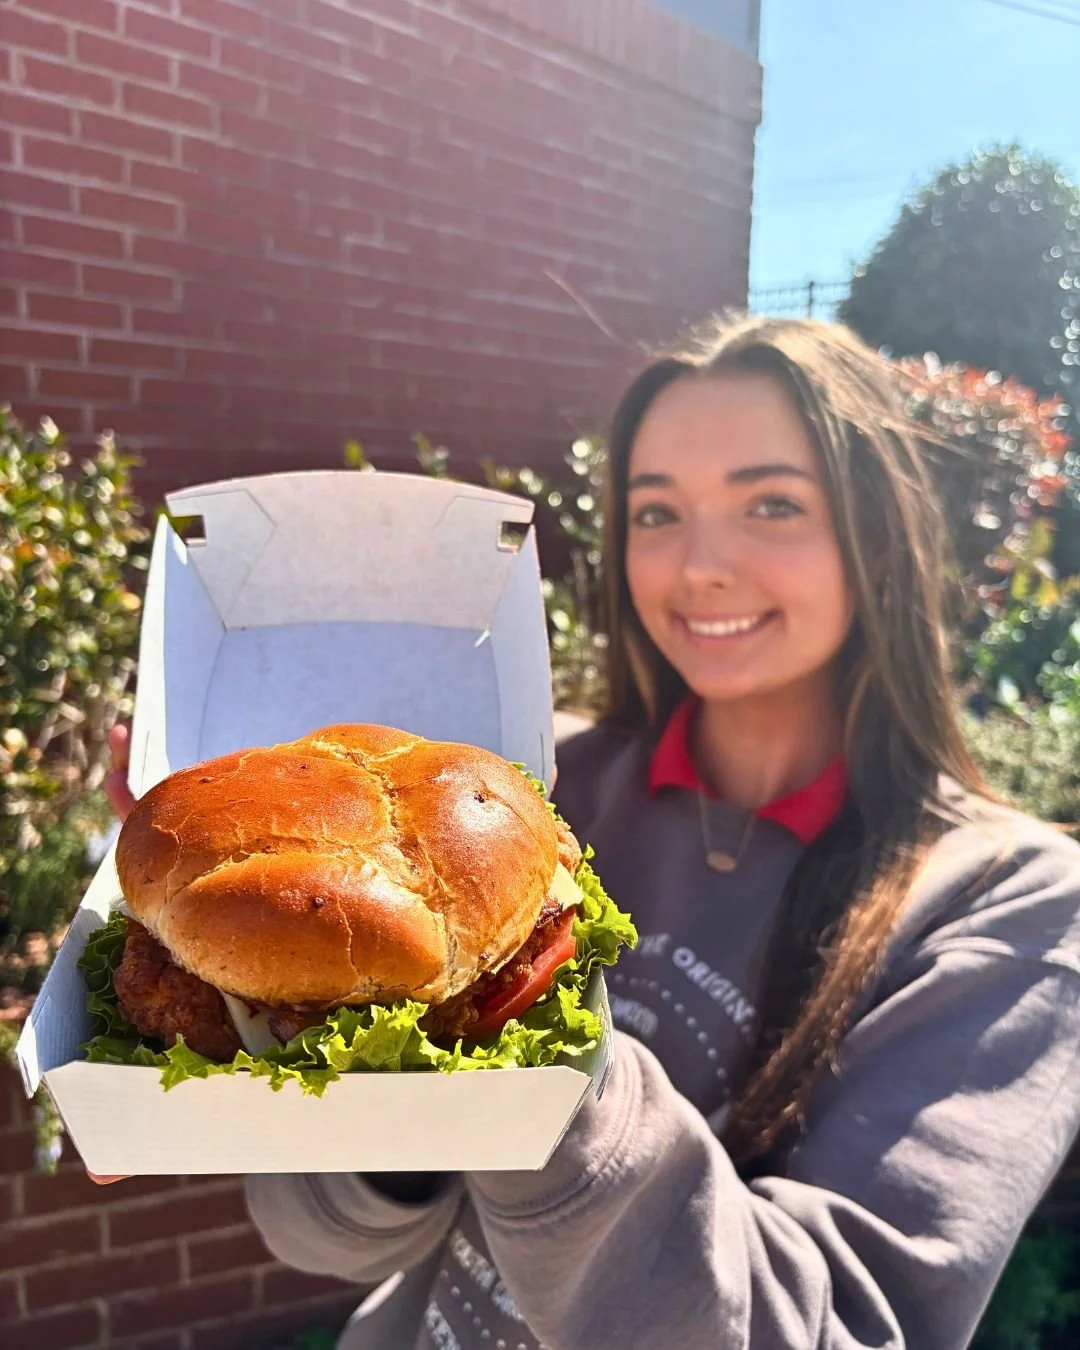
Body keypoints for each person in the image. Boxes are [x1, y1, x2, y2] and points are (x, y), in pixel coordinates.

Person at [100, 316, 1080, 1350]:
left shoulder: (1017, 905)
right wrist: (332, 1060)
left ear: (880, 538)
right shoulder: (518, 792)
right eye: (656, 512)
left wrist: (541, 1070)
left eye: (772, 503)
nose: (699, 565)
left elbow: (845, 1330)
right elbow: (326, 1241)